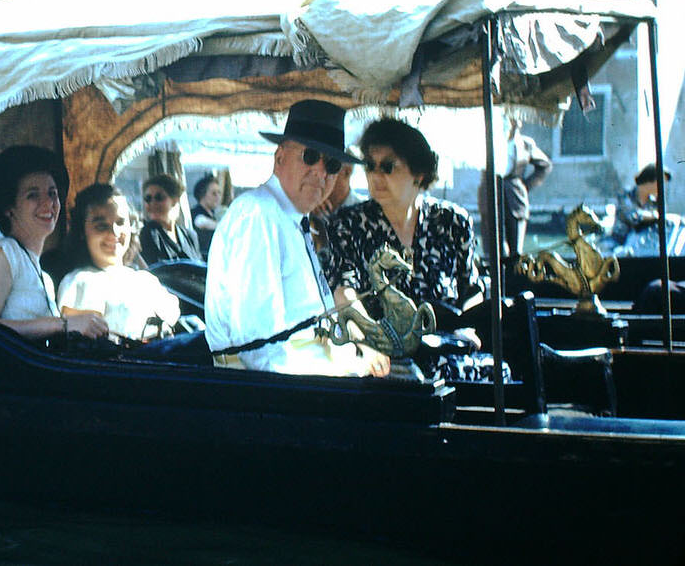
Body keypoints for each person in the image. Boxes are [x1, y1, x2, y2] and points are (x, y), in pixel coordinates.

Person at [204, 99, 390, 377]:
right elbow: (261, 351)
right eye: (310, 156)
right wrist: (347, 375)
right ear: (280, 158)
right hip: (275, 396)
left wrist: (358, 354)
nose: (321, 172)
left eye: (333, 164)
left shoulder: (290, 218)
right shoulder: (259, 215)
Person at [324, 118, 484, 325]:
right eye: (370, 166)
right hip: (380, 349)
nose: (375, 176)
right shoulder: (346, 224)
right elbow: (343, 292)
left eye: (388, 167)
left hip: (450, 344)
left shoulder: (453, 222)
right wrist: (369, 338)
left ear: (419, 173)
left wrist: (469, 328)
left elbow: (471, 290)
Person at [0, 145, 108, 341]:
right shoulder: (5, 255)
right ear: (9, 208)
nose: (48, 203)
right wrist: (63, 324)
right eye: (33, 195)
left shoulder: (43, 276)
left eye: (52, 193)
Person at [57, 183, 181, 341]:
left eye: (121, 222)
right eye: (101, 226)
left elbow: (172, 313)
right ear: (82, 231)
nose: (114, 232)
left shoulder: (143, 278)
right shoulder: (80, 282)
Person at [477, 115, 552, 266]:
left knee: (516, 254)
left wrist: (525, 186)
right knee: (494, 250)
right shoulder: (489, 142)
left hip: (515, 201)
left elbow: (545, 165)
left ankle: (514, 281)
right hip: (491, 196)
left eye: (515, 121)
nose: (513, 125)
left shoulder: (526, 144)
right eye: (509, 121)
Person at [139, 173, 202, 265]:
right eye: (148, 199)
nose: (153, 203)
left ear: (175, 201)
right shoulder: (146, 234)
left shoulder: (190, 236)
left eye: (159, 198)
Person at [611, 164, 672, 247]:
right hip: (619, 244)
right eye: (660, 182)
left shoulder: (655, 202)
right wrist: (655, 215)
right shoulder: (625, 195)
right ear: (649, 180)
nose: (662, 187)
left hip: (643, 246)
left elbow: (662, 220)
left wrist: (660, 203)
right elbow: (634, 217)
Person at [191, 173, 222, 258]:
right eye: (214, 193)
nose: (218, 197)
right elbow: (201, 221)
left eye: (219, 193)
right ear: (202, 194)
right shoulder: (196, 213)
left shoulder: (213, 215)